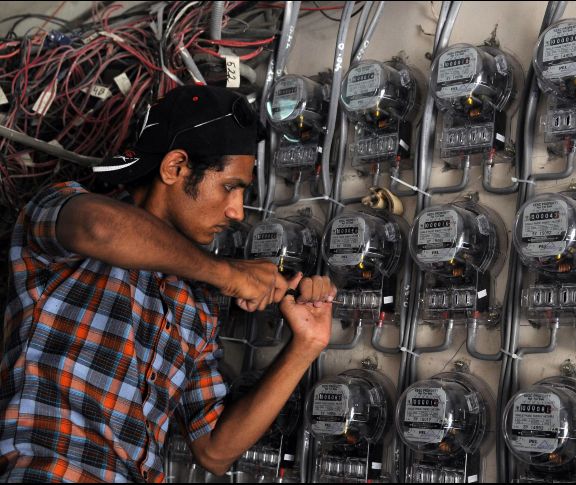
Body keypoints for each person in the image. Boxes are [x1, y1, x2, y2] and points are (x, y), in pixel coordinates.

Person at [0, 85, 335, 482]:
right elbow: (101, 228)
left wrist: (306, 344)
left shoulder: (196, 306)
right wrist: (229, 275)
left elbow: (215, 451)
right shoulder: (63, 209)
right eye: (230, 187)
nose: (236, 211)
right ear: (175, 167)